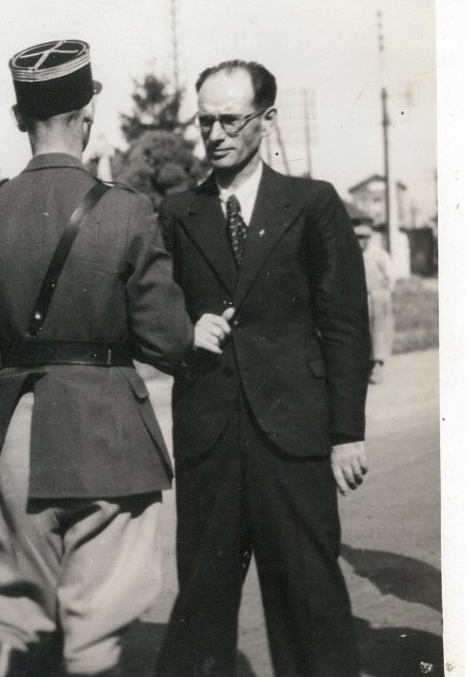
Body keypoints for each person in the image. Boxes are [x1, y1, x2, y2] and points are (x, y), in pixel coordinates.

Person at [0, 40, 193, 677]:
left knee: (11, 614)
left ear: (20, 117)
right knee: (96, 625)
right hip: (110, 443)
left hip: (14, 435)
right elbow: (169, 343)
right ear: (88, 115)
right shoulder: (128, 212)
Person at [156, 60, 371, 676]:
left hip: (294, 438)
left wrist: (346, 432)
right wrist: (183, 333)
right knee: (202, 609)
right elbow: (146, 315)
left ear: (267, 120)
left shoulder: (313, 204)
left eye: (231, 119)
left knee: (311, 606)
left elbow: (345, 327)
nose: (216, 133)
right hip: (210, 438)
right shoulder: (176, 215)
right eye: (205, 121)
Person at [356, 222, 395, 383]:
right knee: (364, 331)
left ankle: (378, 365)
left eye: (363, 238)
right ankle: (367, 364)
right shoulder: (354, 255)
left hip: (379, 296)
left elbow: (391, 276)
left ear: (369, 239)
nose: (360, 241)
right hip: (363, 297)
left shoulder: (379, 255)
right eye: (357, 238)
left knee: (379, 331)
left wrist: (386, 293)